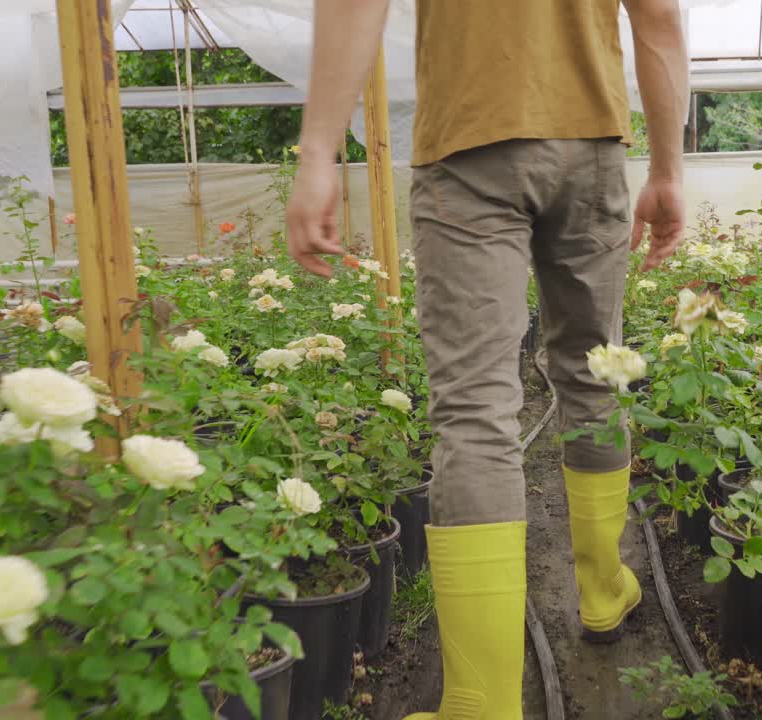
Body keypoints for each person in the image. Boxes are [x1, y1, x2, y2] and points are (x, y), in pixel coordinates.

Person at [286, 1, 687, 716]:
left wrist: (318, 151)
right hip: (591, 142)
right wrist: (666, 167)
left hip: (468, 142)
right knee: (595, 377)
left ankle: (481, 701)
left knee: (474, 414)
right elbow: (657, 15)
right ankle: (602, 590)